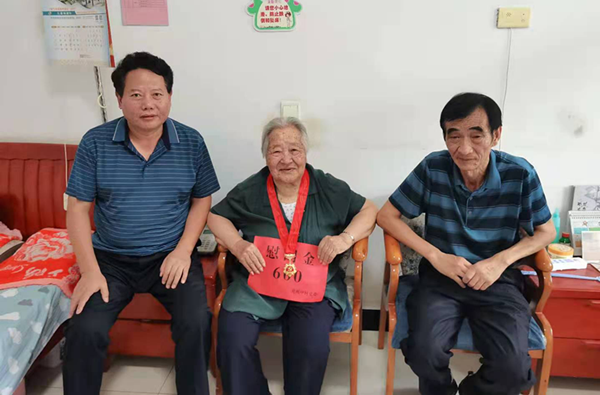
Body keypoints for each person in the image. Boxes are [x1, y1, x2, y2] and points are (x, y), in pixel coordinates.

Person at [63, 51, 220, 395]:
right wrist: (90, 271)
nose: (148, 104)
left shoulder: (191, 142)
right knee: (84, 329)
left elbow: (202, 199)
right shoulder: (95, 143)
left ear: (170, 96)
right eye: (136, 94)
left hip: (170, 255)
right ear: (119, 99)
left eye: (157, 94)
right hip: (111, 261)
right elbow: (76, 209)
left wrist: (183, 251)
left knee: (196, 322)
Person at [377, 92, 555, 395]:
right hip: (442, 279)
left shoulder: (520, 174)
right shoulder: (433, 167)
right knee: (423, 351)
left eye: (476, 135)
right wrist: (436, 256)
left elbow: (546, 231)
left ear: (496, 135)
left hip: (497, 281)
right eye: (454, 136)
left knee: (513, 370)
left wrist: (499, 261)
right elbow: (386, 216)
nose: (464, 149)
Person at [208, 117, 377, 395]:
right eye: (276, 151)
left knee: (311, 346)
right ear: (266, 156)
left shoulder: (327, 187)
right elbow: (215, 216)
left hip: (314, 286)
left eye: (294, 150)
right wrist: (237, 245)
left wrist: (344, 239)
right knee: (232, 338)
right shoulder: (251, 190)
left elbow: (368, 210)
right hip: (258, 285)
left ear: (306, 152)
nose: (286, 159)